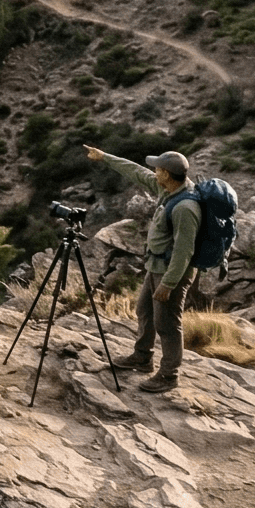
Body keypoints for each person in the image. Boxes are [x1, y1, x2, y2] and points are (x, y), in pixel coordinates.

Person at [83, 145, 199, 393]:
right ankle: (142, 356)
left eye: (157, 169)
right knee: (144, 309)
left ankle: (169, 375)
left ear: (167, 174)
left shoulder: (185, 208)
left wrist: (168, 284)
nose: (154, 172)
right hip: (156, 265)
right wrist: (105, 157)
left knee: (167, 323)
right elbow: (135, 171)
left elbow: (184, 251)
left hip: (171, 272)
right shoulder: (167, 188)